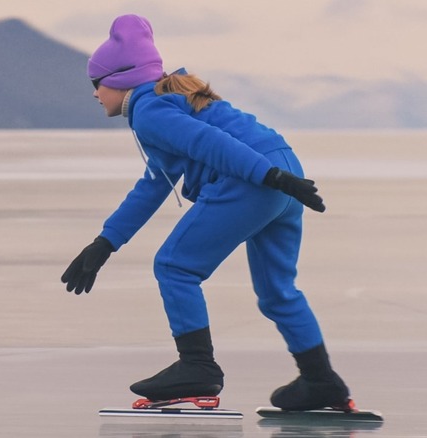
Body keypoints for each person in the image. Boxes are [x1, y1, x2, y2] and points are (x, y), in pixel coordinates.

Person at [61, 14, 350, 411]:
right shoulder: (167, 101)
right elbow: (154, 184)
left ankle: (196, 366)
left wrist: (270, 177)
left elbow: (212, 144)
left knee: (174, 266)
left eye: (97, 84)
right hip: (281, 176)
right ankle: (321, 380)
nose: (95, 95)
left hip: (257, 178)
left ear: (120, 80)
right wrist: (106, 242)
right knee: (277, 292)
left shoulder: (150, 112)